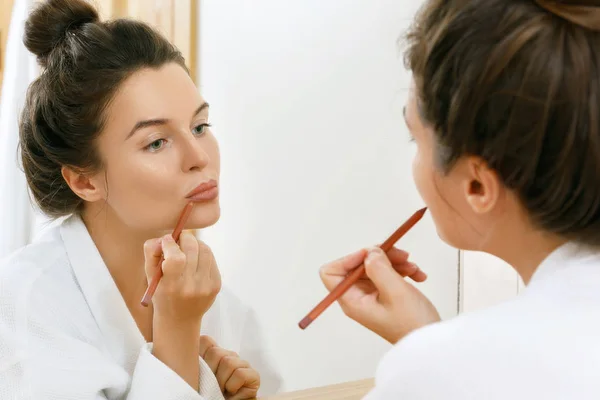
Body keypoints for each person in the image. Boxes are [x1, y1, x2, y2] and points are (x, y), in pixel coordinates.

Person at [0, 0, 281, 399]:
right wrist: (178, 334)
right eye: (157, 142)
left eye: (200, 126)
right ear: (84, 180)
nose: (199, 157)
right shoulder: (21, 309)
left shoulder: (221, 306)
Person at [319, 0, 600, 399]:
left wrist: (432, 356)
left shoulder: (441, 370)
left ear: (477, 186)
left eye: (416, 140)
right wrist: (430, 343)